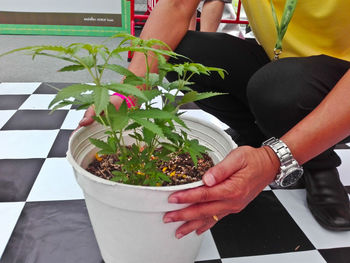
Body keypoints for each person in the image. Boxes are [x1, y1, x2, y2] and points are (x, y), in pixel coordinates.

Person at [79, 0, 350, 237]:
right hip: (276, 58)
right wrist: (130, 90)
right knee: (179, 51)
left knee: (276, 87)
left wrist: (274, 159)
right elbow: (176, 6)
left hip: (338, 79)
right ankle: (258, 137)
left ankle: (318, 166)